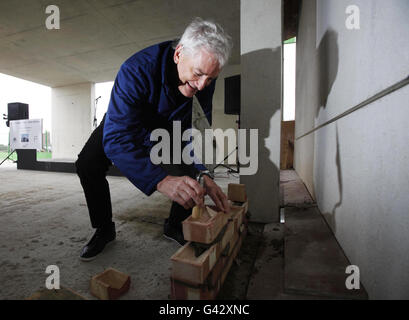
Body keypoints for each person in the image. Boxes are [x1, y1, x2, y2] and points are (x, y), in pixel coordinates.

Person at [75, 18, 233, 261]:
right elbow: (117, 138)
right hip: (126, 119)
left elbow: (198, 130)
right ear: (179, 54)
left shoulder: (204, 81)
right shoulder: (136, 70)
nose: (203, 85)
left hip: (169, 126)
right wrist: (160, 180)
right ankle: (104, 228)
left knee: (190, 173)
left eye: (210, 78)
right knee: (87, 164)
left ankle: (175, 224)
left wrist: (203, 173)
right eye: (199, 74)